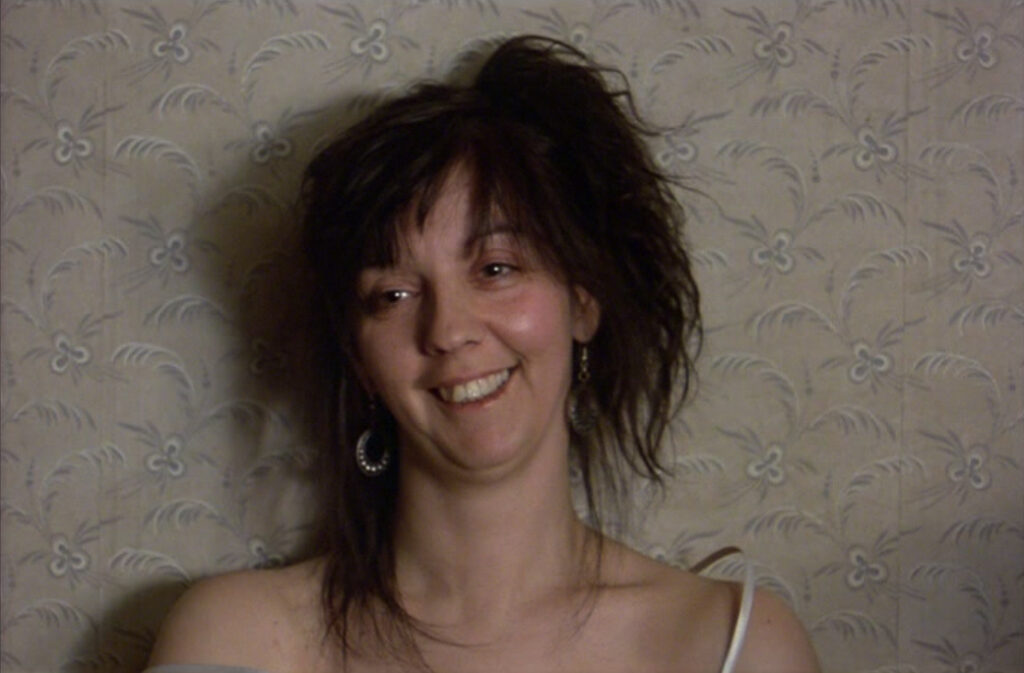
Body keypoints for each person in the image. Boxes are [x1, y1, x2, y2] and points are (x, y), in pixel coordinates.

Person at [144, 36, 820, 673]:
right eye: (394, 294)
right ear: (359, 360)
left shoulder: (735, 643)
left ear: (583, 302)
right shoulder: (239, 636)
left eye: (496, 268)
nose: (448, 329)